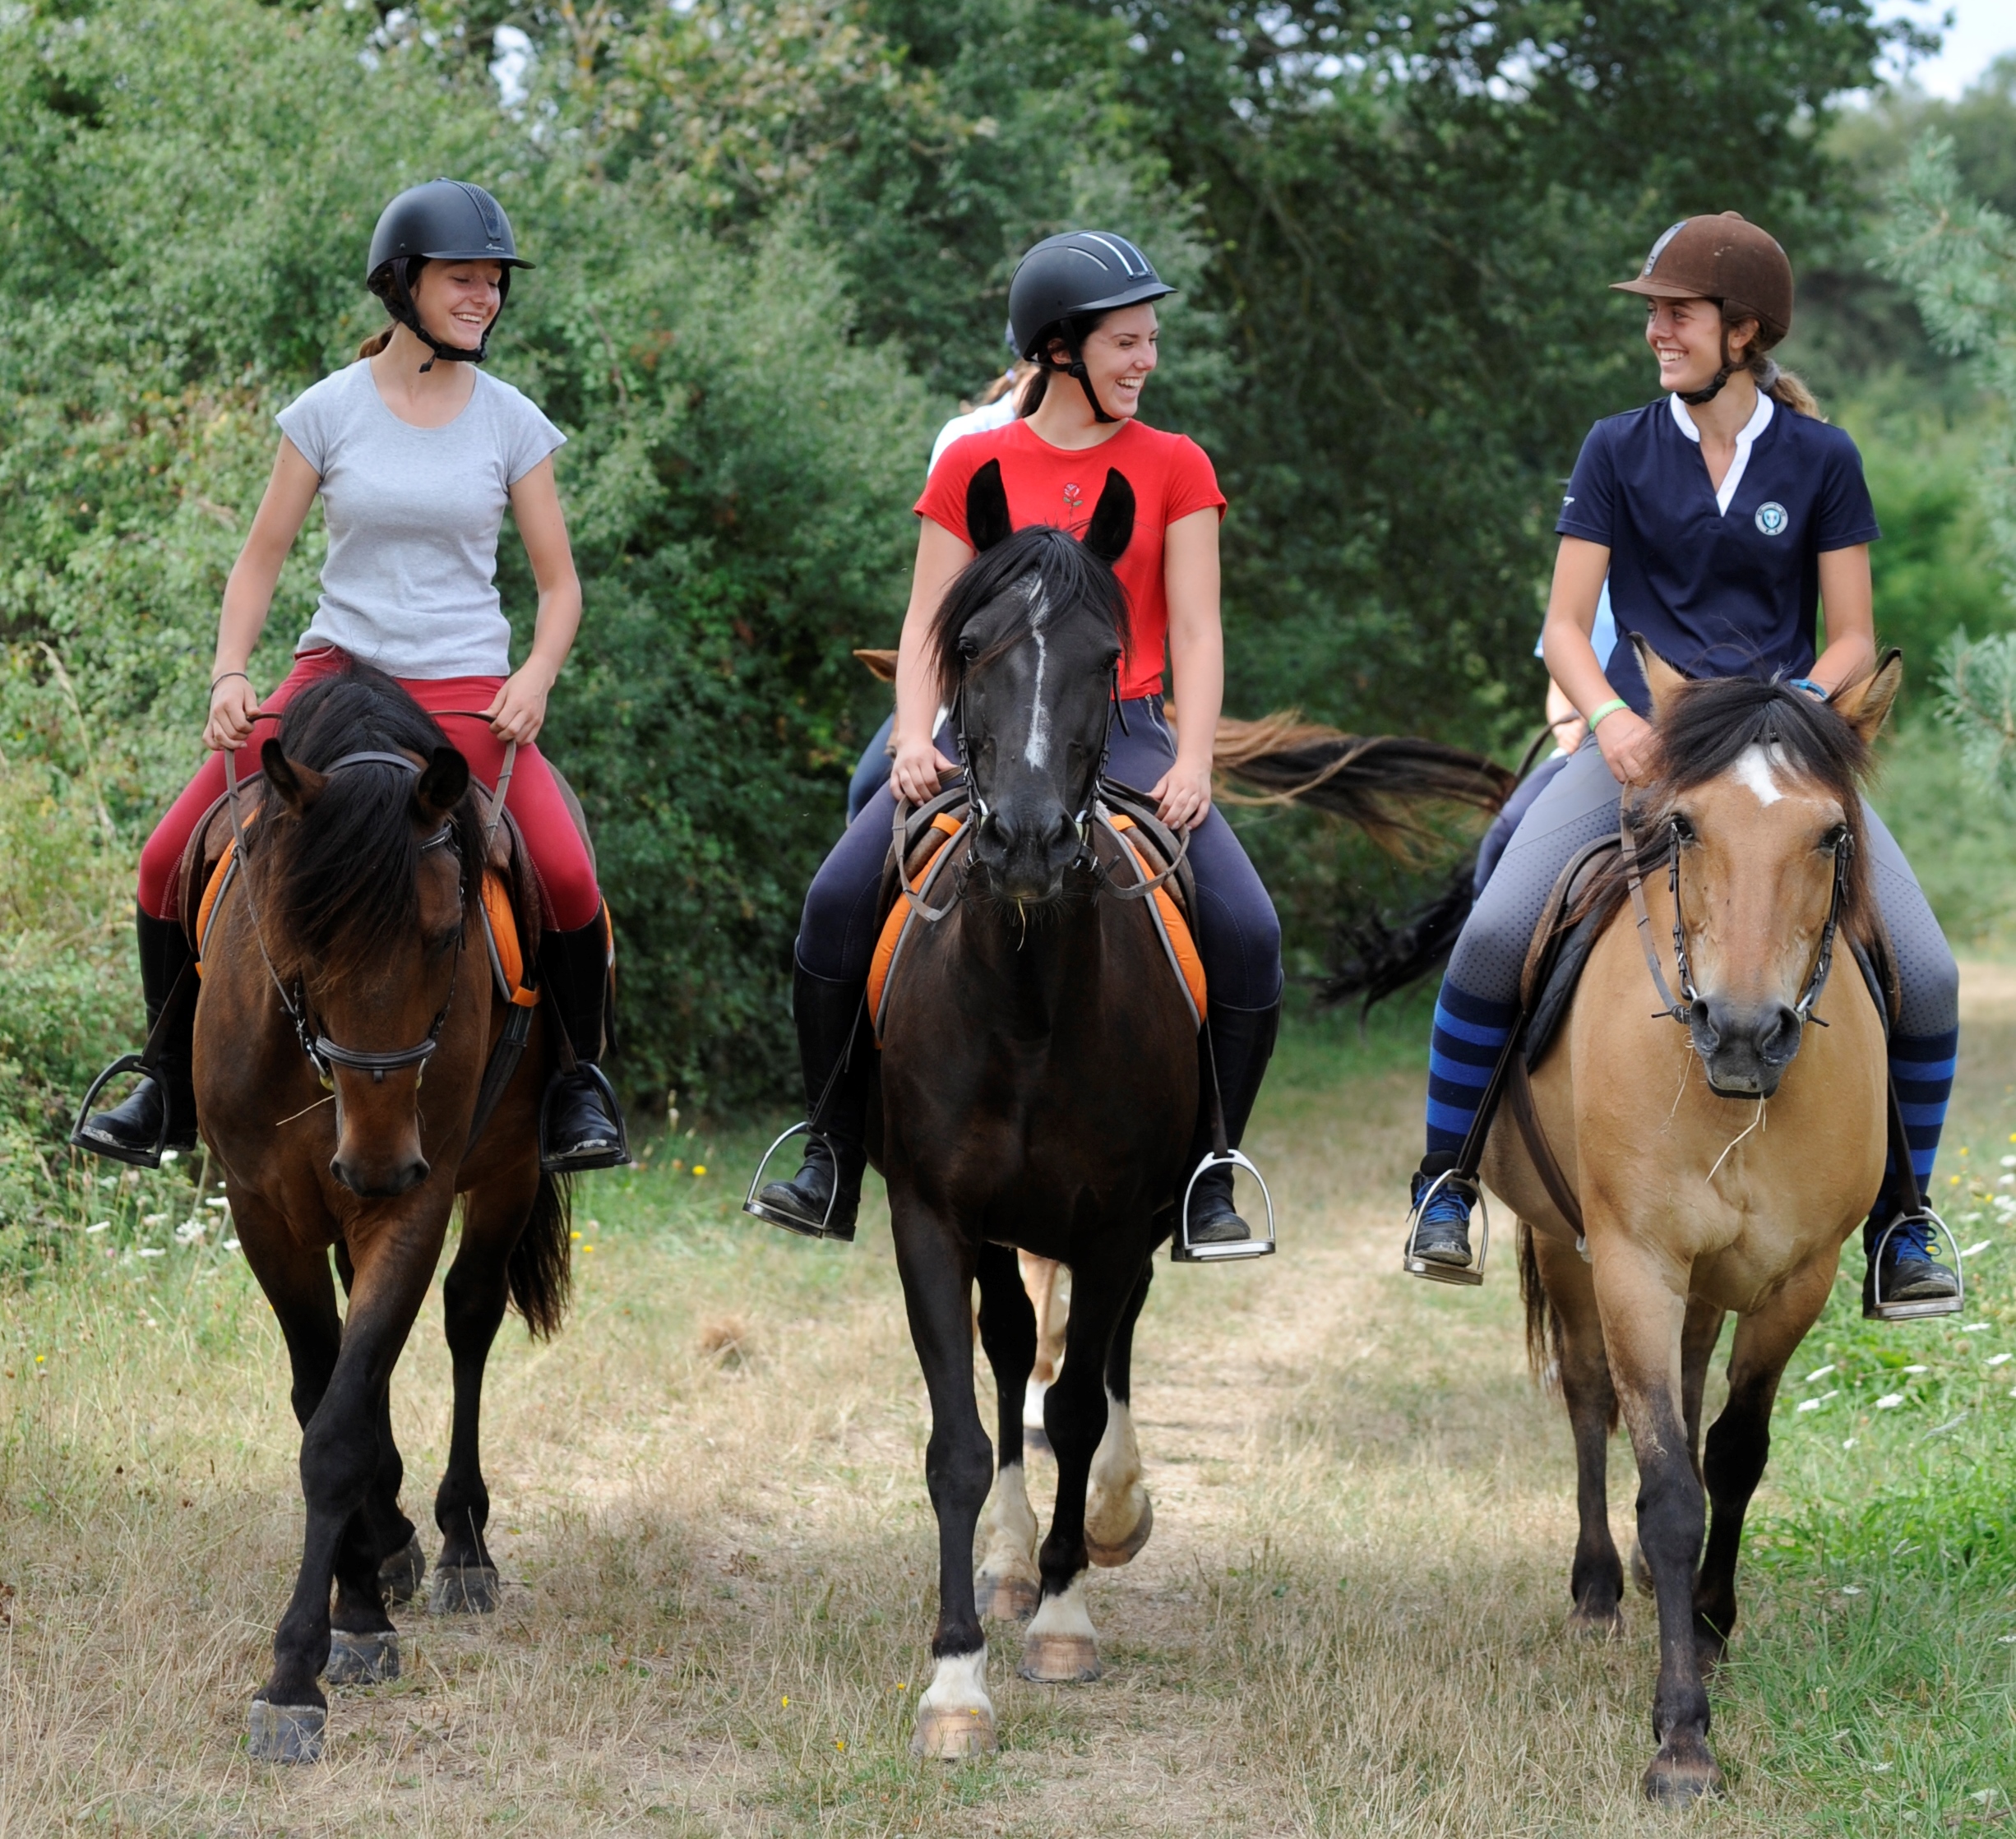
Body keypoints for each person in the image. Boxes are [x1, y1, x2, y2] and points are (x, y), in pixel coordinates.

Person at [1405, 211, 1960, 1315]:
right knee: (1497, 930)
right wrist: (1611, 719)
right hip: (1639, 748)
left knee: (1929, 971)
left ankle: (1905, 1220)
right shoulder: (1617, 447)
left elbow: (1851, 632)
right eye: (1654, 312)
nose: (1657, 329)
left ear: (1743, 329)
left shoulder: (1821, 459)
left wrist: (1794, 717)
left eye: (1678, 312)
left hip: (1781, 756)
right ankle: (1446, 1183)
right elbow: (1567, 623)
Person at [76, 179, 629, 1174]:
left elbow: (560, 586)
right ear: (403, 282)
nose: (485, 297)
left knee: (571, 876)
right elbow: (260, 558)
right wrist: (228, 673)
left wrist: (539, 673)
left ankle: (575, 1084)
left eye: (494, 282)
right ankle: (163, 1079)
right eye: (463, 278)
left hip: (466, 691)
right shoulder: (326, 411)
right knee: (165, 858)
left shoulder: (512, 422)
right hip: (332, 676)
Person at [755, 229, 1283, 1250]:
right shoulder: (973, 462)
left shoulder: (1175, 466)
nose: (1145, 362)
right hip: (978, 733)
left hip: (1123, 728)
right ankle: (827, 1147)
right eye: (1125, 342)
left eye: (1149, 341)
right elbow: (924, 622)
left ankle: (1208, 1172)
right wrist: (914, 735)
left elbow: (1198, 627)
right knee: (830, 905)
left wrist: (1193, 759)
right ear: (1057, 348)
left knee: (1251, 932)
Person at [846, 356, 1038, 823]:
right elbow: (946, 571)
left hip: (1060, 662)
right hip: (976, 659)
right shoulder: (967, 437)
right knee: (869, 786)